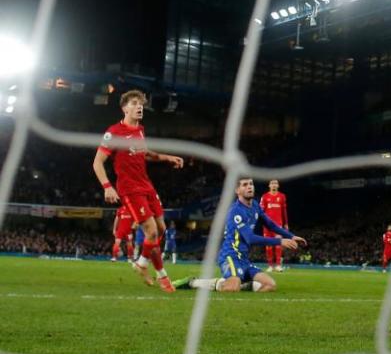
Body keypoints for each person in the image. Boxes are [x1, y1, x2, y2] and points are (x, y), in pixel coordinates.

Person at [93, 89, 183, 292]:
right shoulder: (114, 132)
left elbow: (144, 154)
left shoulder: (140, 130)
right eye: (134, 103)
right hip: (130, 189)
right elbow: (97, 162)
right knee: (151, 232)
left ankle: (154, 271)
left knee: (160, 231)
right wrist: (107, 187)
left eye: (141, 103)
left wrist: (166, 157)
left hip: (146, 184)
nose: (139, 106)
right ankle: (149, 268)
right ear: (124, 108)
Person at [173, 177, 305, 293]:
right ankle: (193, 282)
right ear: (237, 191)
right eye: (245, 185)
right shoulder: (235, 211)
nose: (249, 187)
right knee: (231, 288)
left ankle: (241, 285)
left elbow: (270, 224)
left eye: (251, 184)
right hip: (230, 256)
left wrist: (291, 236)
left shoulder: (255, 205)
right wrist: (279, 241)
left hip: (244, 259)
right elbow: (250, 238)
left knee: (270, 285)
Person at [259, 179, 288, 272]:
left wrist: (286, 223)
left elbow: (284, 211)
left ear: (278, 185)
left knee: (278, 244)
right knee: (269, 245)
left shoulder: (282, 196)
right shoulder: (265, 196)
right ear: (269, 185)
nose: (274, 185)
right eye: (272, 183)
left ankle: (278, 265)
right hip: (267, 225)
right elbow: (261, 211)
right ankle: (270, 265)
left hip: (278, 224)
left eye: (275, 183)